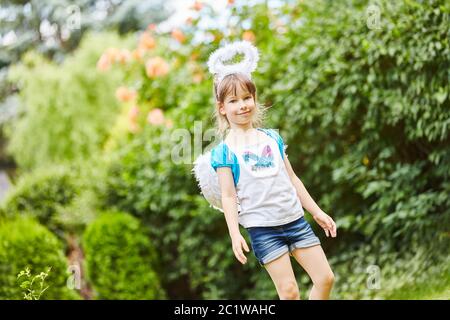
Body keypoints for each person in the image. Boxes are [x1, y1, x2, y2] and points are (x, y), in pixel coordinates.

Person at [204, 40, 337, 300]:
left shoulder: (272, 139)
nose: (242, 105)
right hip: (263, 229)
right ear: (222, 107)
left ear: (254, 99)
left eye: (247, 98)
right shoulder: (224, 153)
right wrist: (234, 234)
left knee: (325, 278)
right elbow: (229, 197)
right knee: (289, 293)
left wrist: (317, 212)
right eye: (233, 100)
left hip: (295, 220)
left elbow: (292, 178)